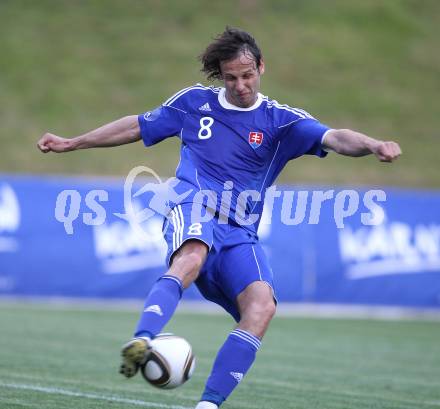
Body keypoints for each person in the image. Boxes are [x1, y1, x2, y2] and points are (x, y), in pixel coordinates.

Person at [37, 27, 401, 408]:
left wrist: (374, 144)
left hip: (240, 233)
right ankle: (143, 339)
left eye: (247, 75)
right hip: (192, 206)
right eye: (231, 77)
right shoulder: (193, 103)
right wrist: (73, 142)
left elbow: (337, 138)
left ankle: (208, 405)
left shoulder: (281, 121)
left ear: (261, 67)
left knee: (262, 307)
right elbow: (136, 126)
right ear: (220, 76)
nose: (241, 84)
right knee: (192, 253)